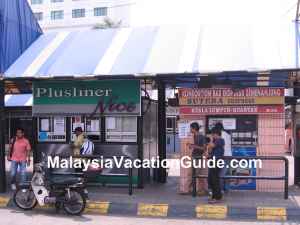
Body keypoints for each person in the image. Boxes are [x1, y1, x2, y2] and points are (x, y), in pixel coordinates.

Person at [187, 122, 207, 195]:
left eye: (191, 128)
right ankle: (196, 189)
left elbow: (204, 148)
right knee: (195, 174)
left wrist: (193, 146)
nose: (190, 129)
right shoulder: (195, 135)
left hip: (198, 157)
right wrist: (192, 145)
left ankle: (200, 190)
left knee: (197, 174)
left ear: (194, 128)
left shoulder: (201, 136)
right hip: (194, 157)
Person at [207, 127, 225, 203]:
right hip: (212, 161)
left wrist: (210, 140)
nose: (212, 136)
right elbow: (210, 150)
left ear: (216, 134)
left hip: (217, 162)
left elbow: (212, 146)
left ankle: (217, 197)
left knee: (215, 180)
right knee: (211, 179)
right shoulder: (215, 141)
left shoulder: (220, 140)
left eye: (213, 134)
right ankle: (215, 196)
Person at [214, 122, 231, 192]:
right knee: (226, 173)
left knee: (220, 174)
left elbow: (218, 146)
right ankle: (226, 189)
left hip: (223, 156)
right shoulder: (228, 134)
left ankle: (220, 190)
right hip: (229, 156)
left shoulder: (220, 136)